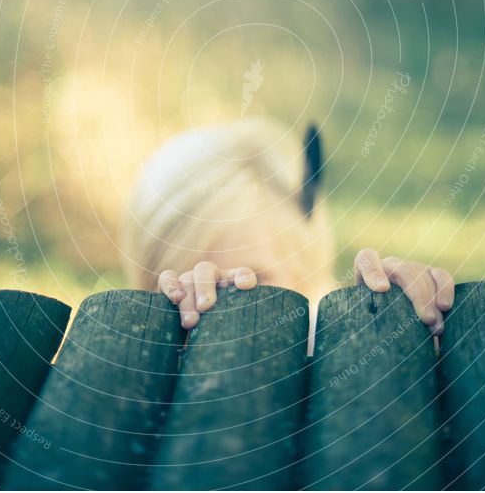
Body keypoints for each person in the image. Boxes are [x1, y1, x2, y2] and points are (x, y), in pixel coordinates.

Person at [120, 118, 454, 346]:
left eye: (252, 283)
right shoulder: (142, 383)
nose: (228, 311)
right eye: (197, 291)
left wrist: (392, 317)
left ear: (306, 269)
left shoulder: (331, 344)